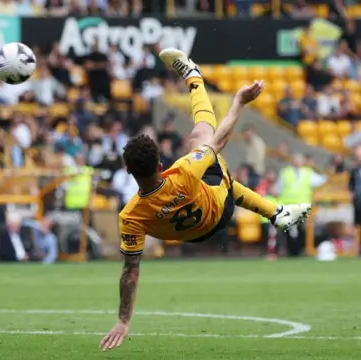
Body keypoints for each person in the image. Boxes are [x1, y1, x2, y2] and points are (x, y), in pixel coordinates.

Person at [99, 48, 312, 352]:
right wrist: (238, 102)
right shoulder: (184, 171)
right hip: (218, 209)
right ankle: (193, 77)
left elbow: (130, 271)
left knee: (212, 167)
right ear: (160, 165)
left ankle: (275, 212)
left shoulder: (130, 216)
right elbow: (220, 139)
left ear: (128, 170)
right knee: (201, 137)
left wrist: (123, 320)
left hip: (195, 235)